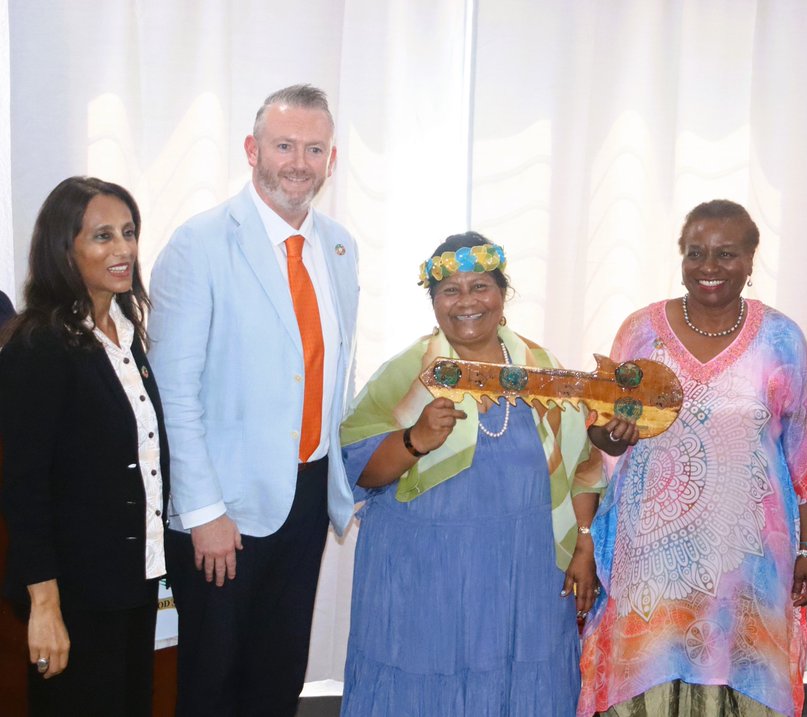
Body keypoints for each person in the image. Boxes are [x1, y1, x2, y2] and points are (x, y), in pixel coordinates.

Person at [148, 84, 359, 715]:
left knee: (278, 677)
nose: (299, 161)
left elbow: (333, 373)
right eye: (284, 145)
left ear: (332, 159)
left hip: (307, 497)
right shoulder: (200, 244)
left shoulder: (341, 247)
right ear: (252, 149)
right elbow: (175, 392)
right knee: (214, 685)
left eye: (313, 148)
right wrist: (204, 511)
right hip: (225, 513)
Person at [337, 232, 604, 716]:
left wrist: (584, 543)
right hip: (424, 579)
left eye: (479, 286)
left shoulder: (542, 370)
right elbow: (356, 473)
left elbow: (584, 466)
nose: (466, 302)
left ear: (503, 295)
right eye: (450, 291)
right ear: (434, 303)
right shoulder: (408, 372)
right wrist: (414, 439)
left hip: (525, 576)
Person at [577, 199, 807, 717]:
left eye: (726, 253)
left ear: (752, 260)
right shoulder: (640, 331)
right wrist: (615, 434)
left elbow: (804, 455)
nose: (709, 267)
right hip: (652, 564)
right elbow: (606, 443)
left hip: (749, 567)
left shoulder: (782, 339)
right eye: (696, 253)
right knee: (649, 681)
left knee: (742, 676)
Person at [0, 177, 168, 715]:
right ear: (63, 249)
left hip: (135, 583)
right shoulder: (38, 345)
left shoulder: (128, 332)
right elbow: (24, 487)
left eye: (129, 232)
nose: (123, 249)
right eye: (102, 237)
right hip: (73, 595)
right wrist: (44, 606)